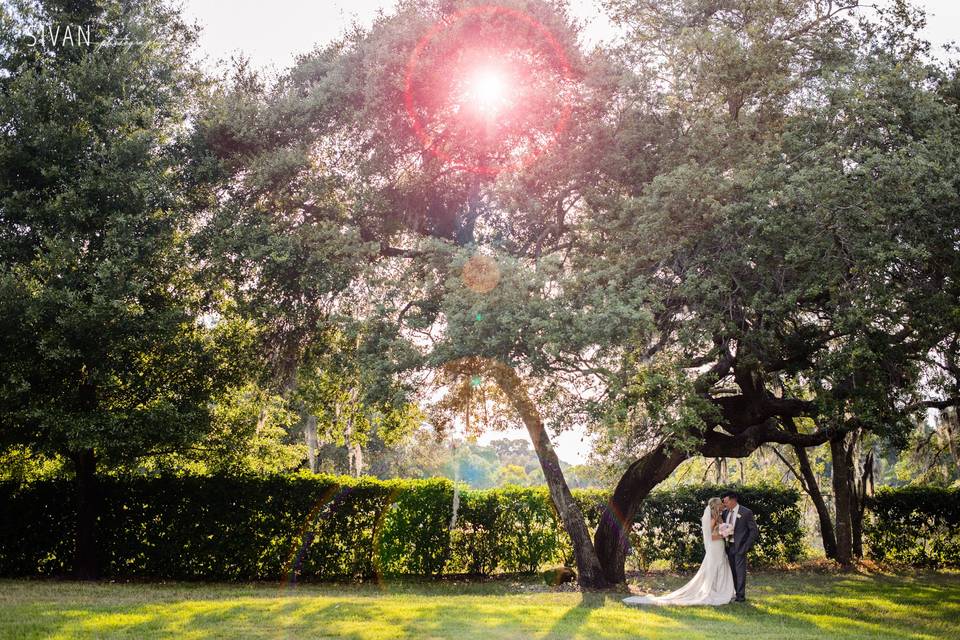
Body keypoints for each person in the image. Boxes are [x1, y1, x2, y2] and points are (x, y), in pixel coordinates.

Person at [622, 497, 734, 606]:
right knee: (715, 566)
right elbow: (710, 536)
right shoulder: (713, 519)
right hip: (715, 546)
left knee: (721, 565)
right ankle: (712, 590)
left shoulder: (719, 517)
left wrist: (725, 533)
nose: (722, 505)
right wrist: (724, 535)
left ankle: (720, 589)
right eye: (720, 504)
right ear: (716, 505)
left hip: (720, 546)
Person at [720, 490, 759, 603]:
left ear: (733, 500)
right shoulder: (726, 513)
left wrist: (746, 546)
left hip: (740, 547)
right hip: (728, 546)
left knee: (740, 571)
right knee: (732, 571)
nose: (724, 504)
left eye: (726, 501)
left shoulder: (746, 512)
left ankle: (741, 597)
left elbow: (754, 531)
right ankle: (734, 593)